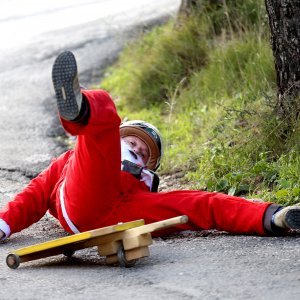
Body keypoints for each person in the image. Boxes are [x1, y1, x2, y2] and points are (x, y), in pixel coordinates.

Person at [0, 51, 299, 241]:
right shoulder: (76, 158)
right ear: (119, 140)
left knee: (202, 202)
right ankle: (80, 111)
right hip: (85, 195)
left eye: (144, 152)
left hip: (125, 209)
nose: (138, 150)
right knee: (105, 107)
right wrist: (4, 225)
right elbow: (36, 193)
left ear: (149, 165)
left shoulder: (142, 184)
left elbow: (201, 208)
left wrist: (271, 217)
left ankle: (274, 216)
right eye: (132, 142)